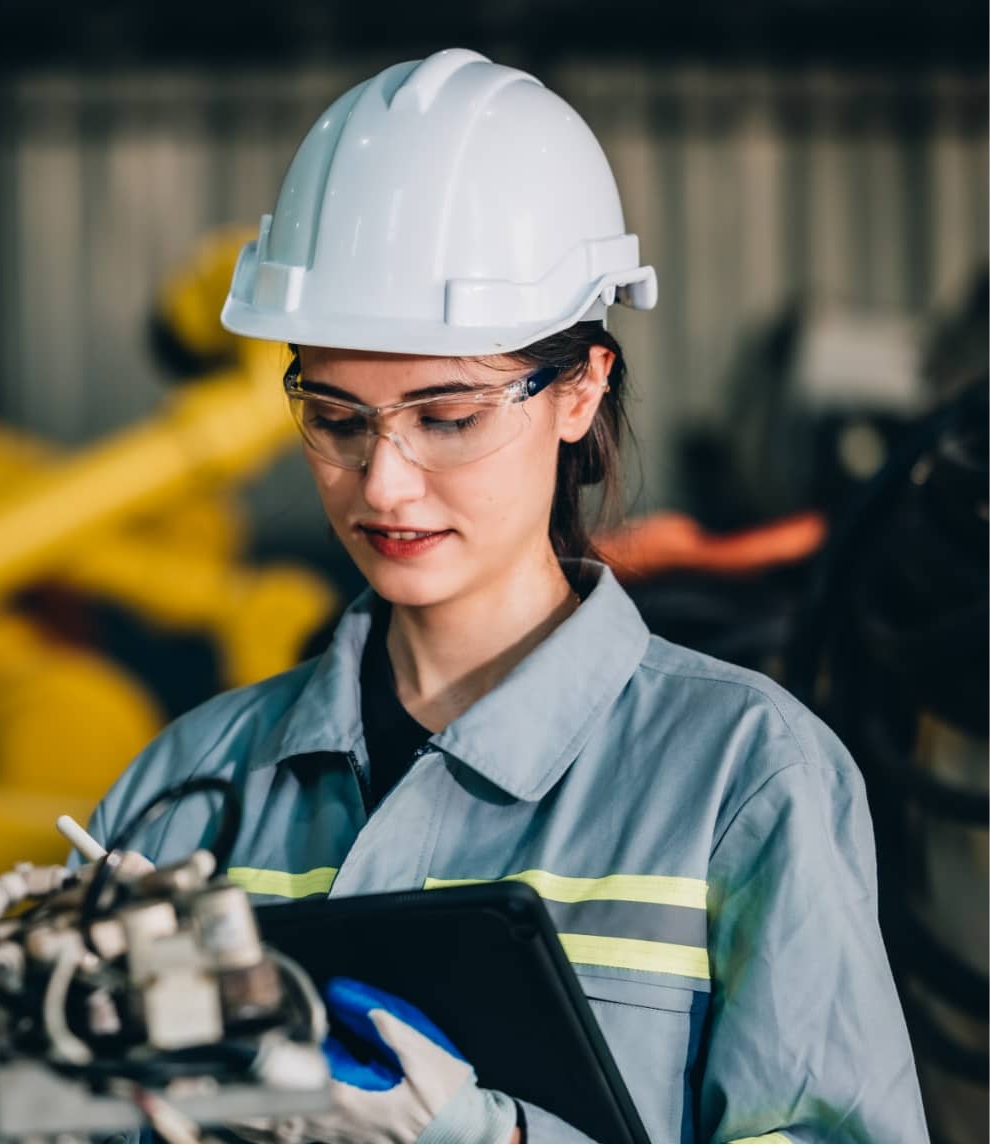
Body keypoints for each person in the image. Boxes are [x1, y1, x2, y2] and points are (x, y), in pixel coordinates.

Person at [79, 49, 927, 1143]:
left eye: (445, 416)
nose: (381, 482)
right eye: (334, 417)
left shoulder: (743, 779)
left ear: (578, 388)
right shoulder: (183, 788)